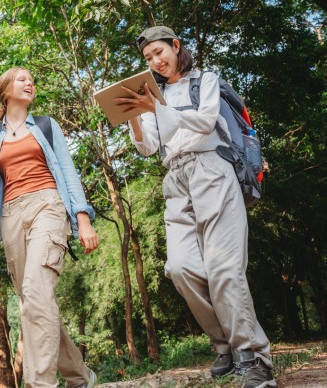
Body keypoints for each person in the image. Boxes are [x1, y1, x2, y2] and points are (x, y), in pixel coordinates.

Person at [117, 26, 275, 388]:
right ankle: (226, 345)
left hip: (212, 170)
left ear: (175, 46)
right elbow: (148, 148)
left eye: (160, 52)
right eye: (149, 58)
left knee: (223, 268)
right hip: (176, 178)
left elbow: (205, 122)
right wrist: (133, 115)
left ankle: (254, 358)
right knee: (181, 267)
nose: (156, 61)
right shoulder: (151, 95)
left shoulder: (204, 80)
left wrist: (155, 105)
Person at [0, 67, 99, 388]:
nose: (29, 83)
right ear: (6, 90)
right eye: (21, 79)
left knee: (35, 292)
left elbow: (69, 173)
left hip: (48, 206)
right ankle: (80, 377)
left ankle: (40, 384)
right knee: (34, 302)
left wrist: (81, 218)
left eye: (31, 80)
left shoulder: (46, 126)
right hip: (11, 217)